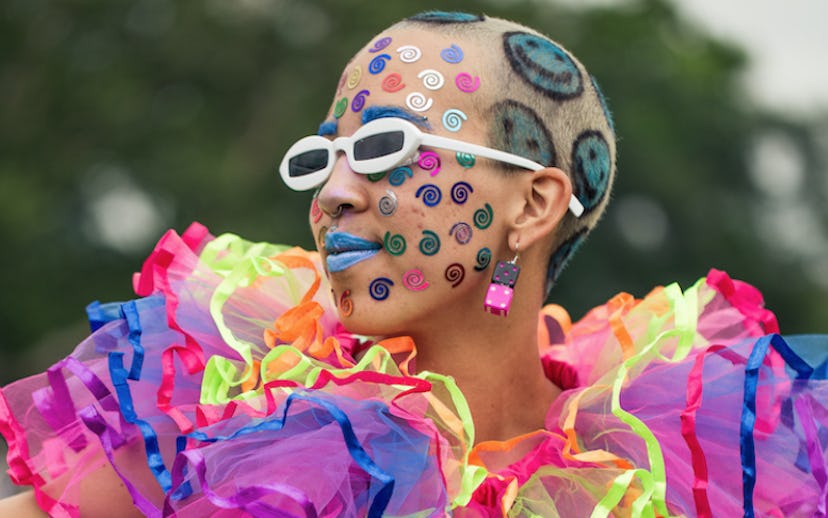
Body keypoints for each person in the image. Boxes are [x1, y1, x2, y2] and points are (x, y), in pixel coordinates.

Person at [1, 10, 826, 517]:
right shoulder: (250, 433)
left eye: (386, 149)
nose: (333, 194)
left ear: (533, 205)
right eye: (324, 158)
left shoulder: (698, 470)